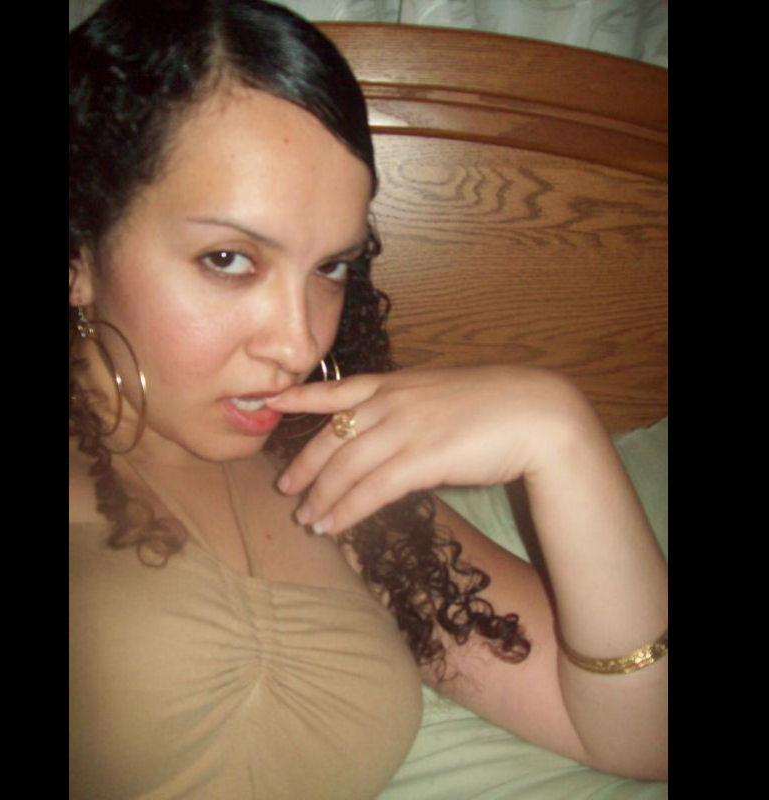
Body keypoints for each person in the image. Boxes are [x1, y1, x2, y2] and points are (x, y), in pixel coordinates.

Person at [68, 1, 668, 798]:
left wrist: (561, 433)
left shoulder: (334, 476)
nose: (298, 343)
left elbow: (641, 732)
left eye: (331, 268)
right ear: (80, 254)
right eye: (228, 259)